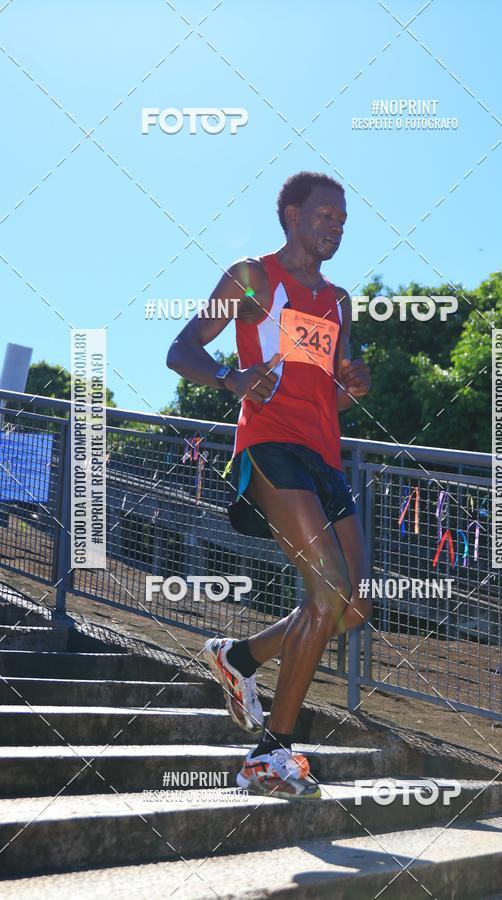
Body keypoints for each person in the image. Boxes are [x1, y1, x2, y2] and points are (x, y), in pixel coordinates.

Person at [167, 171, 372, 799]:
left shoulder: (338, 300)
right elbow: (181, 349)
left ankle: (242, 658)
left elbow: (326, 387)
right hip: (269, 446)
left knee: (353, 605)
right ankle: (269, 756)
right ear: (289, 214)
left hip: (324, 457)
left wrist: (351, 386)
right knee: (328, 591)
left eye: (342, 220)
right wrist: (231, 378)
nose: (334, 226)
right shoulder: (252, 277)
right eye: (323, 215)